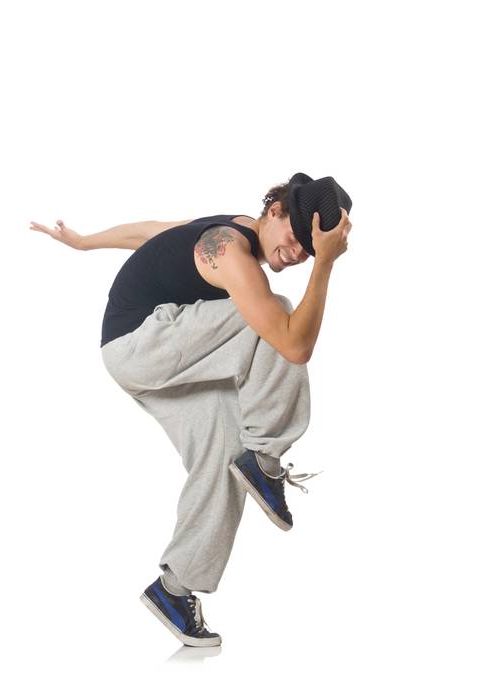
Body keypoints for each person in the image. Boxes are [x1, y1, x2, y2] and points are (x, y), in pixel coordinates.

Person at [30, 173, 352, 647]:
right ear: (277, 211)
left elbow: (149, 232)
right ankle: (264, 459)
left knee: (224, 459)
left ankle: (174, 590)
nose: (300, 253)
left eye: (310, 249)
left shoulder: (225, 231)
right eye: (297, 239)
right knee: (273, 316)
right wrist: (326, 264)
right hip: (143, 342)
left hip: (156, 360)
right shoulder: (230, 252)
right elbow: (294, 346)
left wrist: (84, 243)